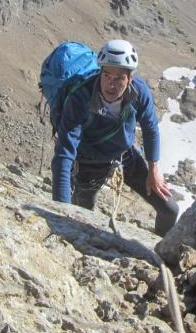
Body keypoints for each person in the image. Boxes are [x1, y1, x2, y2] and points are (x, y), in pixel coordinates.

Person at [51, 39, 178, 235]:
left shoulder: (139, 92)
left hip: (124, 156)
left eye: (119, 78)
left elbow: (150, 127)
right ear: (100, 72)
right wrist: (62, 211)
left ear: (130, 78)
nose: (111, 83)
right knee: (82, 219)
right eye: (106, 75)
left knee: (169, 210)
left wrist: (154, 168)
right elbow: (64, 154)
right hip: (87, 164)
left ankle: (164, 253)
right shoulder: (80, 98)